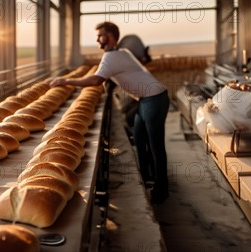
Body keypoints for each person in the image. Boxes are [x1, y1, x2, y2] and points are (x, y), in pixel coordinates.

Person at [50, 21, 170, 204]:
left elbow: (96, 80)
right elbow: (117, 74)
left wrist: (66, 81)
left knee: (155, 146)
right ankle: (147, 179)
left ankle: (161, 190)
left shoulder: (113, 56)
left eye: (100, 35)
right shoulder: (120, 53)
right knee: (139, 139)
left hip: (154, 100)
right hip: (147, 99)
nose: (97, 39)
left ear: (111, 37)